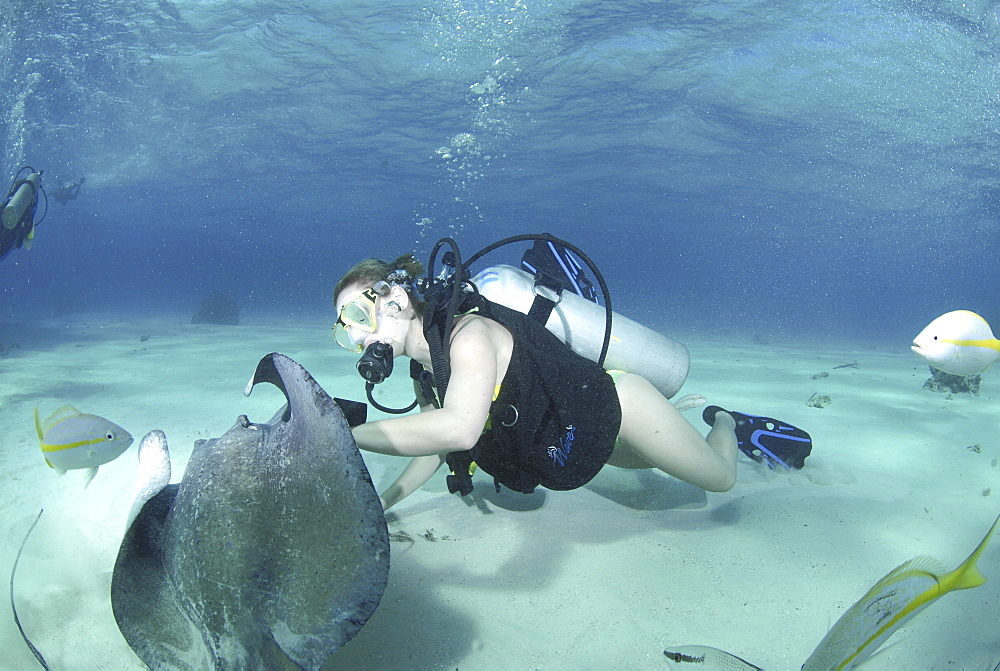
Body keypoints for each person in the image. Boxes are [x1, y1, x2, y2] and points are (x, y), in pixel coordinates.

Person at [333, 252, 740, 512]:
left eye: (358, 317)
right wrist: (385, 502)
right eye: (345, 332)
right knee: (657, 461)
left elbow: (459, 427)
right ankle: (675, 419)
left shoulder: (469, 334)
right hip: (579, 440)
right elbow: (433, 446)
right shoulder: (427, 371)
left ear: (397, 301)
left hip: (618, 408)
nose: (357, 337)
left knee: (720, 480)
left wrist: (344, 435)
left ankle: (725, 421)